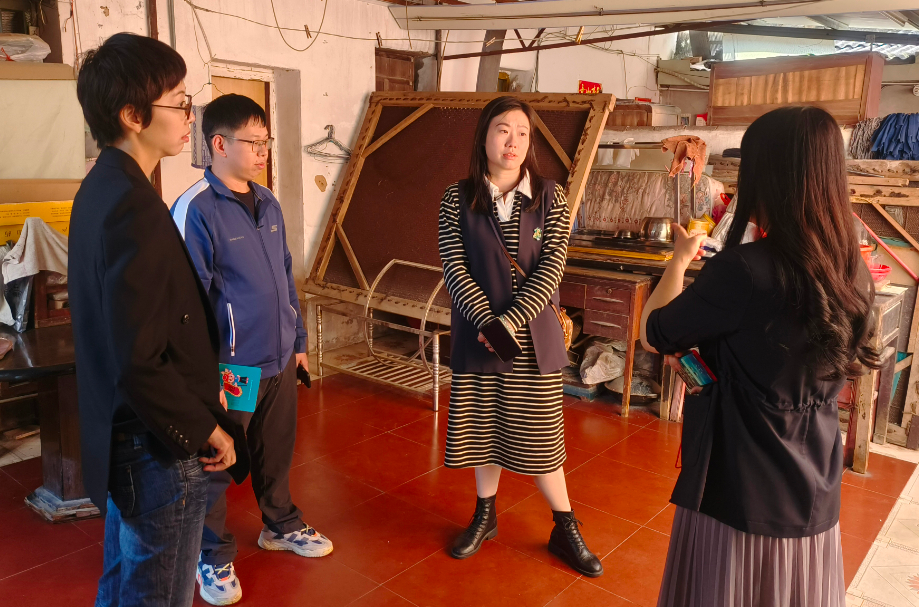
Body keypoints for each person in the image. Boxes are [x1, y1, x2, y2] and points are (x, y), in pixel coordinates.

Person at [640, 106, 880, 607]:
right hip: (813, 482)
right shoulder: (850, 271)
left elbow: (653, 333)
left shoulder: (744, 270)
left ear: (768, 176)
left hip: (739, 483)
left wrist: (679, 260)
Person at [69, 33, 249, 607]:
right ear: (132, 115)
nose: (189, 115)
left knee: (123, 584)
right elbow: (139, 355)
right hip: (154, 447)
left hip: (124, 429)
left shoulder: (102, 188)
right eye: (179, 102)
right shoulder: (131, 205)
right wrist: (203, 428)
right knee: (157, 595)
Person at [171, 94, 330, 606]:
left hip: (278, 357)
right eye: (253, 142)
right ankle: (211, 554)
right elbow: (187, 303)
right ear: (219, 144)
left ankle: (280, 523)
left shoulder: (268, 202)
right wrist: (202, 376)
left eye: (266, 142)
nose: (263, 151)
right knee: (216, 461)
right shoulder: (196, 209)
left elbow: (285, 275)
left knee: (274, 450)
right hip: (231, 368)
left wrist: (298, 342)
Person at [438, 96, 602, 577]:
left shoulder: (551, 196)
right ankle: (485, 516)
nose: (513, 141)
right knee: (483, 433)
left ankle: (564, 526)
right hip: (479, 335)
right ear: (484, 136)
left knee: (541, 439)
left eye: (522, 133)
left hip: (531, 341)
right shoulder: (456, 197)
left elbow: (551, 269)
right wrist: (488, 323)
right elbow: (455, 268)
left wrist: (507, 324)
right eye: (503, 129)